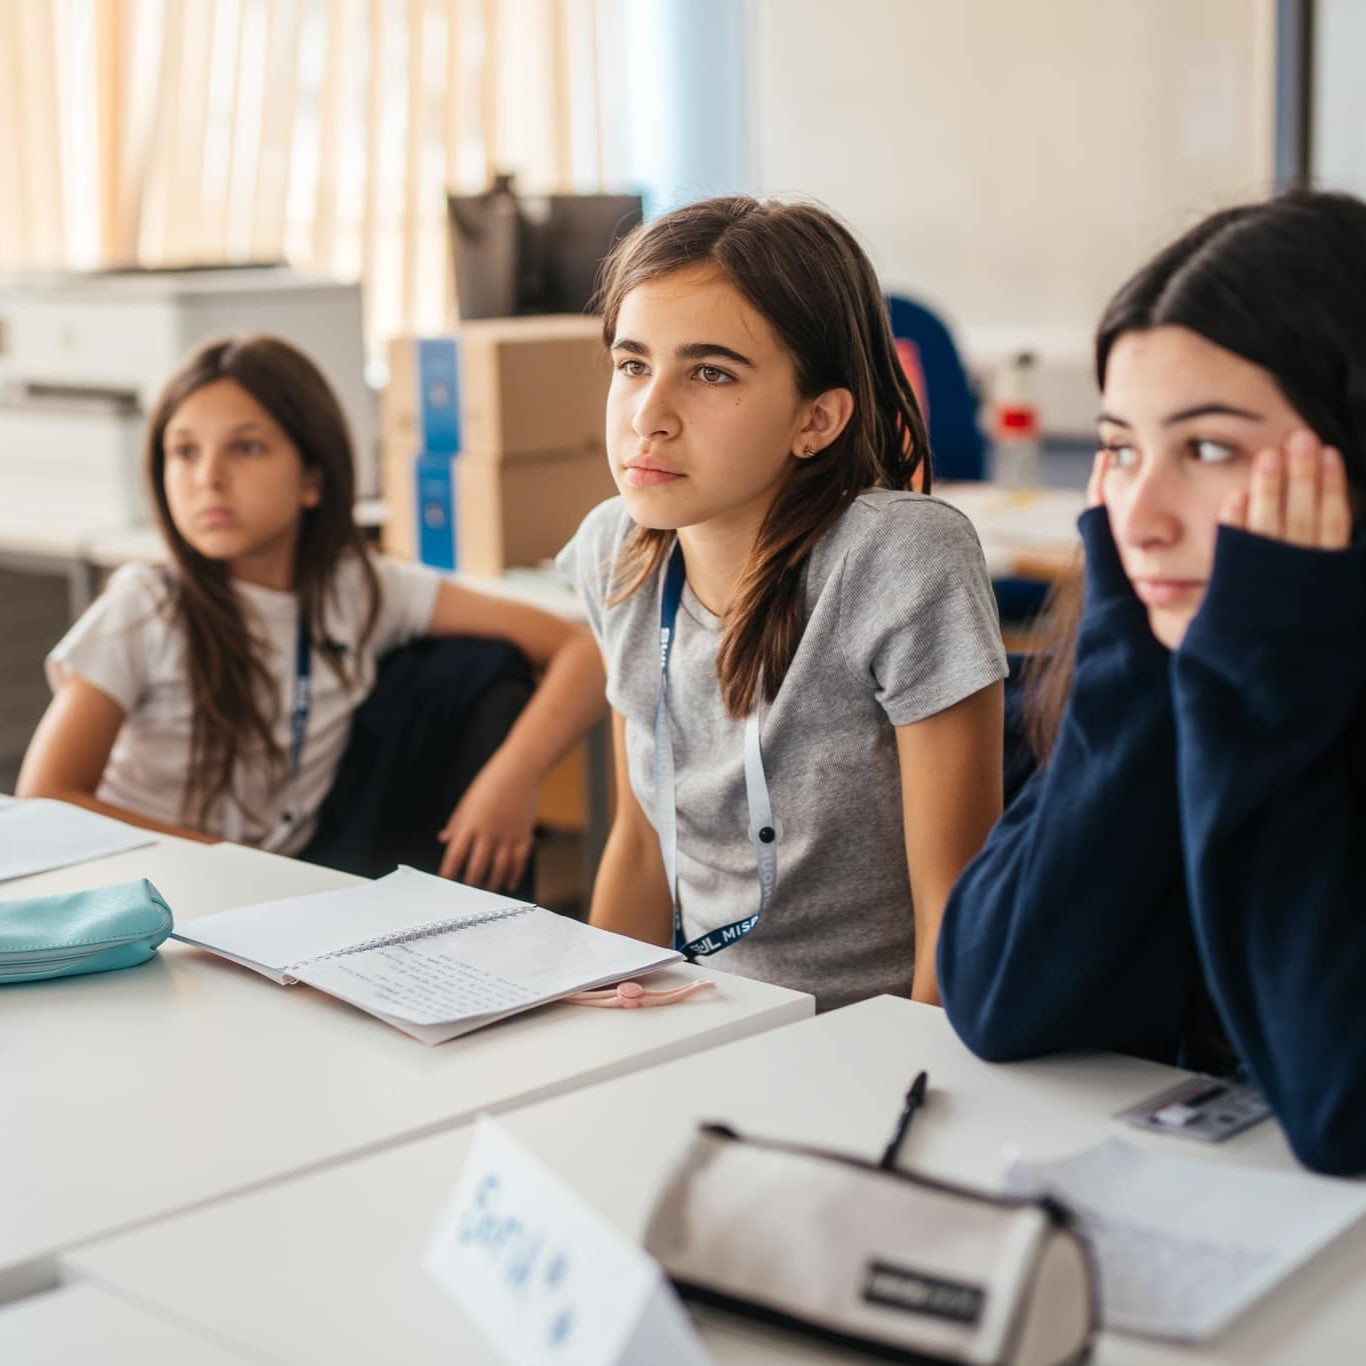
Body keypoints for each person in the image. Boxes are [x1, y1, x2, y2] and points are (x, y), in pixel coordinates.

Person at [937, 189, 1366, 1175]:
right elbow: (1003, 998)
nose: (1140, 516)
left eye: (1208, 449)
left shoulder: (1265, 665)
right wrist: (1130, 653)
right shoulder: (1168, 657)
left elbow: (1340, 1106)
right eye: (1121, 449)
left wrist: (1265, 677)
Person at [557, 197, 1006, 1010]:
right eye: (632, 365)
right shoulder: (613, 550)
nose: (649, 416)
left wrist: (918, 1088)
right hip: (703, 1016)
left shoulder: (898, 559)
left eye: (711, 372)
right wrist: (597, 1032)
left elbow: (957, 907)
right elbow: (639, 843)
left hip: (870, 1035)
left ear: (817, 418)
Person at [17, 335, 605, 890]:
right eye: (184, 451)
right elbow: (47, 795)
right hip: (154, 889)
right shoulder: (147, 604)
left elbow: (580, 650)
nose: (208, 478)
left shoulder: (360, 589)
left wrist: (511, 780)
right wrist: (232, 866)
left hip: (286, 888)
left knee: (484, 663)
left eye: (245, 448)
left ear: (313, 479)